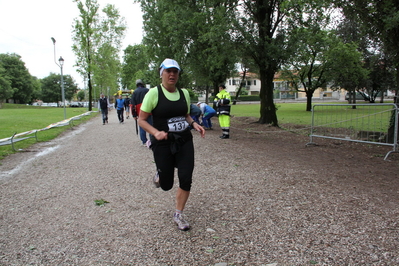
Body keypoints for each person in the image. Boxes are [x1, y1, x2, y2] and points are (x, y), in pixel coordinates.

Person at [138, 58, 205, 231]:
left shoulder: (184, 93)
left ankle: (178, 214)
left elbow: (187, 115)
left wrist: (194, 124)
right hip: (163, 144)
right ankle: (160, 175)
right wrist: (155, 133)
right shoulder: (153, 93)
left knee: (186, 177)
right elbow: (142, 120)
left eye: (175, 71)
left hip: (184, 140)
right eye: (169, 71)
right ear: (162, 73)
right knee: (166, 185)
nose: (172, 74)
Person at [131, 79, 153, 146]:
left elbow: (132, 105)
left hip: (140, 111)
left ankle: (144, 141)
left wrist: (134, 115)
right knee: (151, 125)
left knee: (142, 126)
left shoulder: (135, 92)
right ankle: (152, 140)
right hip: (149, 110)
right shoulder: (147, 90)